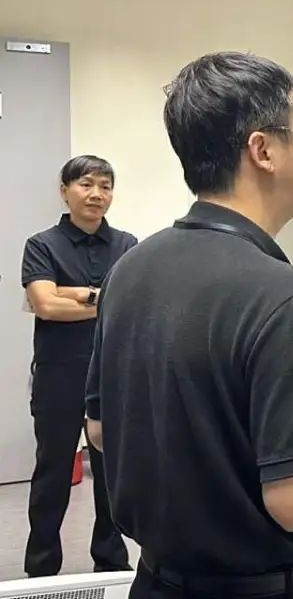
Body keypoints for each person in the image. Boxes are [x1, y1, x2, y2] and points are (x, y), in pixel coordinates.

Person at [84, 51, 293, 599]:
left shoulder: (129, 269)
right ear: (263, 150)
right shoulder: (282, 296)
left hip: (155, 581)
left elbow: (99, 430)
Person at [20, 155, 135, 578]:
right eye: (86, 184)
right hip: (59, 373)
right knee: (52, 473)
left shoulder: (127, 245)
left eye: (105, 186)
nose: (96, 194)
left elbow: (131, 303)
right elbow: (45, 305)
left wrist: (70, 293)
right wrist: (101, 298)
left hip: (113, 374)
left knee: (111, 475)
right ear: (65, 190)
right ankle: (41, 568)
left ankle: (111, 561)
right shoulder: (42, 244)